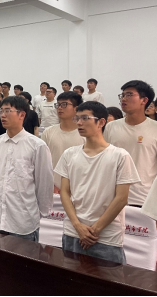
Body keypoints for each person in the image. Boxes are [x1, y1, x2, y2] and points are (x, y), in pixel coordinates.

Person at [56, 102, 140, 264]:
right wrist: (78, 226)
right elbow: (65, 192)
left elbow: (121, 198)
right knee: (70, 277)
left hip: (106, 236)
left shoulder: (119, 156)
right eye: (77, 118)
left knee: (109, 279)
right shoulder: (69, 154)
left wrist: (95, 230)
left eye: (85, 118)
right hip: (73, 232)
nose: (79, 123)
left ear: (101, 122)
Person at [0, 96, 54, 242]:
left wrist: (38, 215)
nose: (3, 115)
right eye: (1, 111)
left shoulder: (37, 145)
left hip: (23, 222)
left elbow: (44, 184)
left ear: (22, 115)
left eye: (8, 111)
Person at [105, 80, 157, 207]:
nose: (123, 99)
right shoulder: (111, 127)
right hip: (112, 196)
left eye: (129, 95)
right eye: (122, 95)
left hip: (144, 198)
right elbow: (104, 158)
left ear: (144, 100)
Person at [42, 91, 85, 192]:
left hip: (79, 189)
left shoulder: (85, 134)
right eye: (58, 105)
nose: (60, 108)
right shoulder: (48, 132)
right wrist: (51, 184)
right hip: (52, 188)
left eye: (64, 104)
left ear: (76, 108)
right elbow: (42, 162)